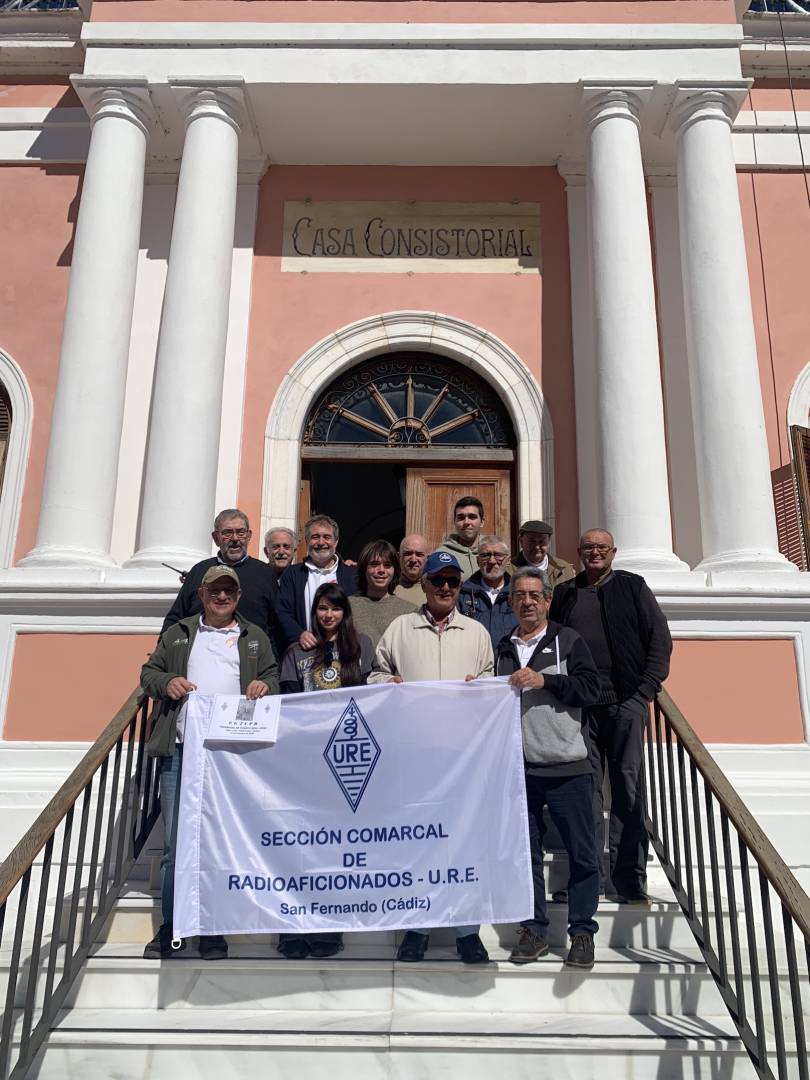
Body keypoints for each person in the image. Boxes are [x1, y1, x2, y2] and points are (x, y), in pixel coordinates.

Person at [141, 565, 279, 959]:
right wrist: (166, 682)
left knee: (220, 843)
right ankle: (173, 927)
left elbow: (272, 676)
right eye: (214, 591)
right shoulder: (180, 633)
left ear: (238, 597)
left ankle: (213, 929)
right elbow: (149, 673)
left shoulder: (254, 637)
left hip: (229, 757)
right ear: (201, 595)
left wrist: (264, 685)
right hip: (182, 751)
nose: (222, 597)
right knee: (175, 845)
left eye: (229, 592)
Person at [370, 550, 494, 964]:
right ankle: (417, 927)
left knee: (464, 844)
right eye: (437, 580)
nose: (445, 587)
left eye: (453, 581)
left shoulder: (476, 632)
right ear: (423, 584)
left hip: (462, 758)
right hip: (415, 756)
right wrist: (389, 682)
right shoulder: (400, 628)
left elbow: (491, 683)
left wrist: (481, 687)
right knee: (418, 843)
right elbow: (376, 673)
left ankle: (467, 932)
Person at [550, 529, 672, 904]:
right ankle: (586, 878)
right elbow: (552, 642)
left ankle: (628, 881)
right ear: (579, 552)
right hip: (580, 708)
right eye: (588, 547)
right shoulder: (566, 593)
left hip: (625, 703)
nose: (595, 552)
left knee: (627, 790)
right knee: (583, 792)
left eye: (602, 547)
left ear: (613, 552)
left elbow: (659, 639)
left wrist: (644, 691)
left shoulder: (632, 587)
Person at [495, 567, 601, 970]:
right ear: (510, 602)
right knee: (527, 856)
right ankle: (534, 929)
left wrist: (547, 681)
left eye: (534, 595)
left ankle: (582, 932)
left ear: (548, 600)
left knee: (583, 854)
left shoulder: (568, 641)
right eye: (519, 595)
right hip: (519, 771)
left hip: (567, 766)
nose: (527, 602)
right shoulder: (502, 647)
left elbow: (591, 689)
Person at [278, 582, 375, 960]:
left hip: (346, 761)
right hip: (305, 761)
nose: (328, 615)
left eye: (335, 608)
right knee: (301, 846)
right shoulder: (296, 651)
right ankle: (293, 926)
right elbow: (286, 703)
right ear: (314, 612)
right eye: (322, 608)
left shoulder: (362, 647)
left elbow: (373, 698)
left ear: (344, 613)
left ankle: (329, 925)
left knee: (336, 848)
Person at [161, 509, 279, 645]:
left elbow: (276, 624)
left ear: (249, 536)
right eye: (228, 533)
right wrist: (164, 651)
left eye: (241, 532)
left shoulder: (265, 573)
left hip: (251, 654)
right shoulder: (199, 571)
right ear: (216, 538)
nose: (235, 538)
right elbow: (176, 617)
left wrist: (272, 656)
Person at [276, 514, 357, 649]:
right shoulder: (292, 574)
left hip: (343, 649)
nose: (321, 542)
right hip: (305, 649)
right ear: (307, 541)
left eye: (327, 537)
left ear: (336, 542)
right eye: (315, 537)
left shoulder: (352, 575)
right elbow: (282, 611)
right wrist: (299, 634)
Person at [350, 540, 416, 648]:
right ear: (364, 568)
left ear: (395, 570)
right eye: (374, 564)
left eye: (387, 565)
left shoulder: (409, 611)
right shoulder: (348, 606)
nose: (381, 570)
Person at [458, 534, 517, 649]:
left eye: (498, 555)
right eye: (485, 555)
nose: (492, 561)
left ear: (508, 561)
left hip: (509, 659)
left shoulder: (519, 594)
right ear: (477, 561)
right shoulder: (463, 594)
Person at [512, 519, 575, 588]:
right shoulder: (509, 570)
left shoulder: (564, 569)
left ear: (549, 542)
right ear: (521, 541)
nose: (537, 547)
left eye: (541, 541)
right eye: (532, 541)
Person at [437, 496, 485, 581]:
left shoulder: (495, 553)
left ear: (482, 522)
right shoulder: (441, 555)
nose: (466, 522)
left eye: (472, 517)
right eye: (461, 518)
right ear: (454, 522)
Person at [394, 534, 429, 603]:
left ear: (428, 559)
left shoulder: (436, 591)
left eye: (419, 554)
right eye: (408, 554)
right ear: (398, 558)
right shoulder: (386, 590)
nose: (413, 560)